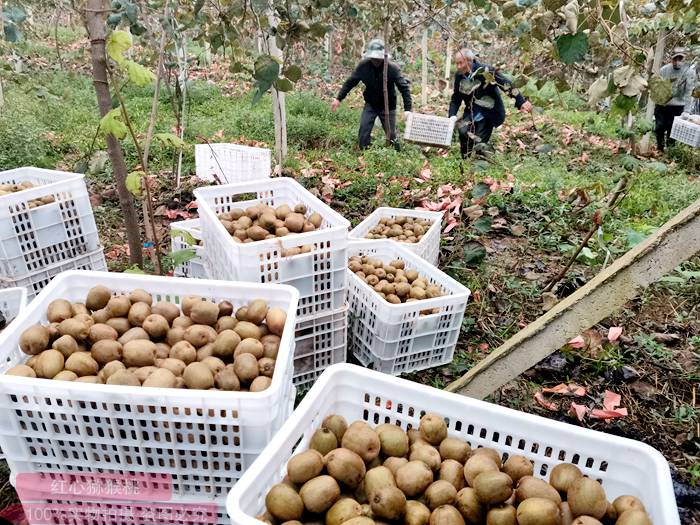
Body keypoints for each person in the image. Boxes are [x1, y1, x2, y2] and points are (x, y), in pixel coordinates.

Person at [448, 49, 532, 157]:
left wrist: (521, 101)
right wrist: (452, 115)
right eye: (456, 63)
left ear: (469, 61)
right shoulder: (459, 76)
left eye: (461, 63)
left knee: (480, 143)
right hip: (471, 112)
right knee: (463, 132)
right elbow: (456, 97)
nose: (458, 66)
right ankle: (465, 160)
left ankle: (480, 162)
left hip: (488, 112)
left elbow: (506, 84)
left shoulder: (486, 71)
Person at [331, 39, 412, 150]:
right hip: (371, 104)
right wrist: (338, 98)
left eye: (379, 59)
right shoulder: (363, 66)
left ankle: (397, 155)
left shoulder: (392, 68)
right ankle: (365, 154)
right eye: (374, 58)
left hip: (388, 106)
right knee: (363, 131)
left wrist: (408, 109)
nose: (376, 61)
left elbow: (404, 88)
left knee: (392, 135)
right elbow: (350, 82)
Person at [656, 48, 695, 152]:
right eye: (675, 59)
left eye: (680, 59)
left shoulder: (689, 72)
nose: (677, 62)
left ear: (683, 59)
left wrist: (686, 110)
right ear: (671, 59)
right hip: (663, 104)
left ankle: (670, 151)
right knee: (659, 127)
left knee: (672, 129)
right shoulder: (664, 70)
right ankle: (660, 149)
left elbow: (688, 92)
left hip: (678, 106)